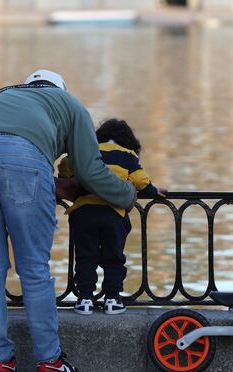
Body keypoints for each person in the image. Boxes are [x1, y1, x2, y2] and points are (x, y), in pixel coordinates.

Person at [0, 70, 136, 372]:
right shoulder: (69, 103)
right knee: (33, 268)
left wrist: (47, 182)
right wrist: (126, 194)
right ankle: (50, 364)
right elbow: (89, 169)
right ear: (61, 89)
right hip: (23, 156)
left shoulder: (1, 95)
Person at [58, 118, 167, 315]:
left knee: (85, 257)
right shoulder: (127, 156)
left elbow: (66, 167)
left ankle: (84, 300)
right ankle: (112, 299)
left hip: (84, 213)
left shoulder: (85, 152)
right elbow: (141, 181)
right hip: (113, 214)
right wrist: (152, 190)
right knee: (114, 258)